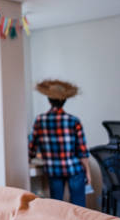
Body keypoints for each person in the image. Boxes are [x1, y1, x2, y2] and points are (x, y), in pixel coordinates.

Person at [28, 79, 92, 207]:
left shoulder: (40, 120)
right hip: (74, 170)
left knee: (57, 208)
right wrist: (88, 174)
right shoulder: (73, 121)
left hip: (53, 171)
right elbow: (82, 152)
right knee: (79, 209)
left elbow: (31, 149)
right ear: (64, 100)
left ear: (49, 100)